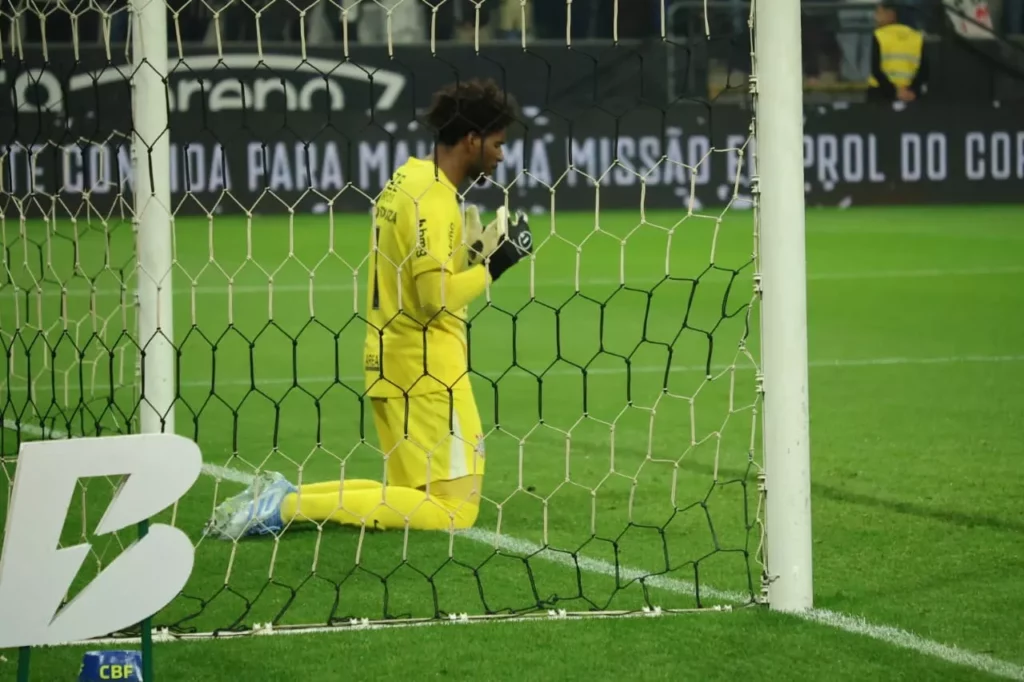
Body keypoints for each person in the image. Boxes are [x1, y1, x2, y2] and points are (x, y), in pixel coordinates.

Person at [205, 79, 533, 540]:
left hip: (388, 361)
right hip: (428, 373)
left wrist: (469, 256)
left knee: (406, 496)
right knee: (453, 510)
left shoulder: (406, 179)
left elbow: (412, 270)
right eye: (497, 143)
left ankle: (281, 497)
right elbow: (435, 298)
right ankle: (288, 507)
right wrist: (497, 264)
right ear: (472, 139)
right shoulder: (435, 198)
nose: (501, 155)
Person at [867, 0, 928, 103]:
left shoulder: (878, 36)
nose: (875, 17)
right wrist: (912, 90)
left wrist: (894, 91)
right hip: (910, 95)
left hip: (880, 95)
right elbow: (924, 70)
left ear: (891, 14)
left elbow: (874, 68)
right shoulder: (917, 37)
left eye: (879, 12)